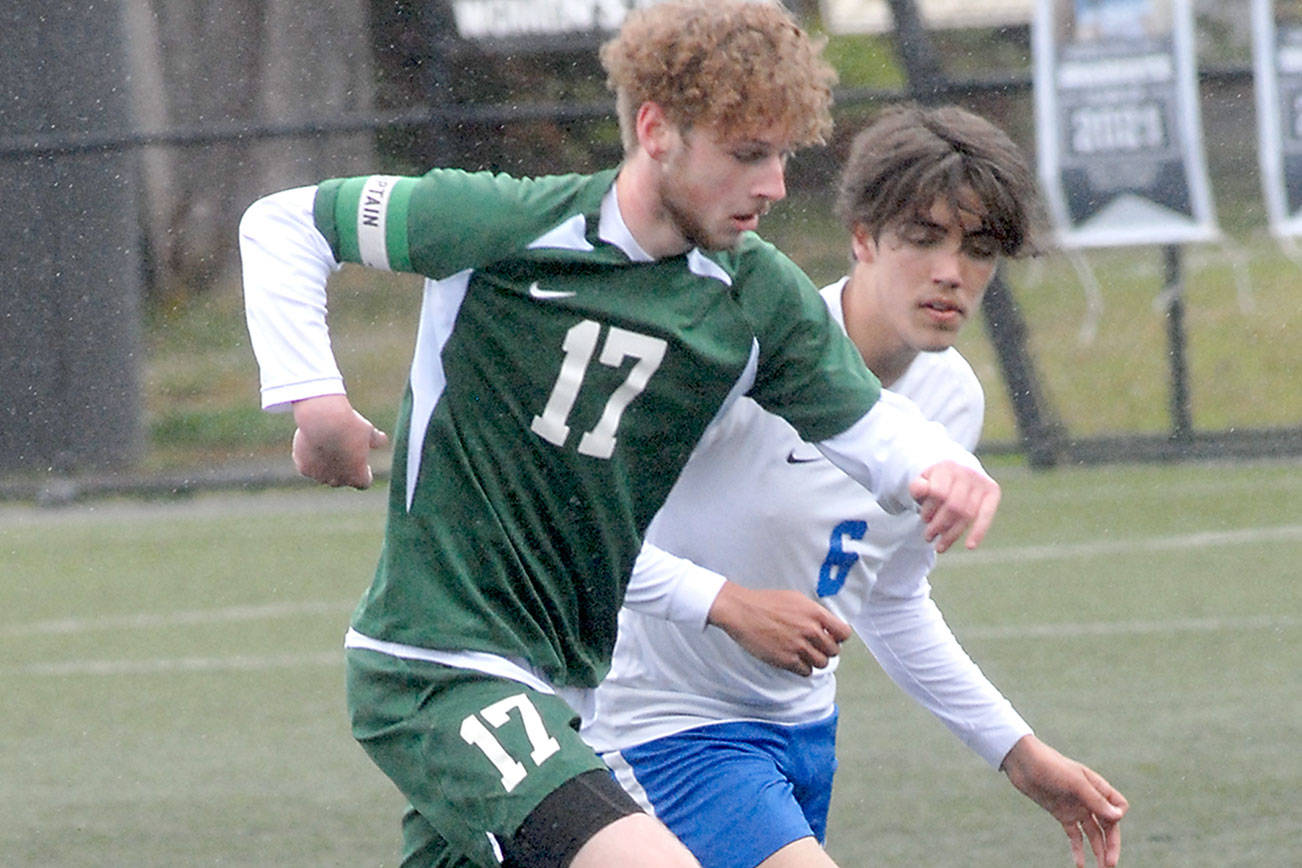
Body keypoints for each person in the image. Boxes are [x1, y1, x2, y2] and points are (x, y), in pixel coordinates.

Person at [238, 3, 1002, 866]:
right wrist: (314, 399)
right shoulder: (508, 227)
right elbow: (283, 224)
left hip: (566, 690)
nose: (775, 186)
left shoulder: (756, 297)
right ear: (656, 129)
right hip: (437, 662)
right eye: (749, 154)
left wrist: (937, 468)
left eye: (785, 155)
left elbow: (868, 424)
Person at [585, 104, 1130, 868]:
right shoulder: (736, 357)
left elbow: (890, 599)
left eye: (978, 248)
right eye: (923, 237)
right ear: (863, 237)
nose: (951, 271)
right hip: (665, 725)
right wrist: (729, 605)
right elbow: (577, 535)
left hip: (803, 735)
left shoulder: (951, 401)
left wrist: (1016, 750)